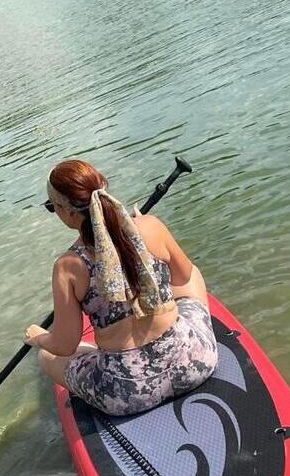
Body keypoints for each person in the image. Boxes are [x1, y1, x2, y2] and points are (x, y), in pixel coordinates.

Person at [24, 159, 217, 416]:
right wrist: (145, 233)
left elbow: (64, 345)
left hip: (126, 395)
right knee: (193, 274)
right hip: (194, 363)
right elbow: (183, 277)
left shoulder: (68, 266)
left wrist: (37, 337)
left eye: (52, 207)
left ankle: (104, 357)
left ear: (67, 212)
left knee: (46, 357)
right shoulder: (151, 226)